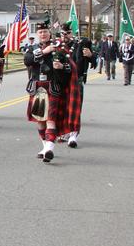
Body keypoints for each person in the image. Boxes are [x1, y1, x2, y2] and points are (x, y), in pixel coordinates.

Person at [24, 16, 80, 163]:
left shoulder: (59, 47)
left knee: (50, 120)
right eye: (40, 32)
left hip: (52, 87)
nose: (43, 34)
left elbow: (70, 67)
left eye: (45, 31)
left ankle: (50, 148)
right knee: (40, 121)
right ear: (38, 34)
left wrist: (62, 67)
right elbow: (28, 60)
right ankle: (44, 147)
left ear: (50, 32)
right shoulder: (32, 48)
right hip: (36, 88)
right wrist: (44, 52)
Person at [59, 23, 96, 148]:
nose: (65, 36)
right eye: (63, 33)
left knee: (75, 108)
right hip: (62, 81)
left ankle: (74, 135)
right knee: (63, 108)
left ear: (71, 33)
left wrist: (90, 55)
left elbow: (93, 60)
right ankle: (65, 131)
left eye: (67, 33)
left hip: (76, 81)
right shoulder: (58, 46)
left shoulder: (80, 45)